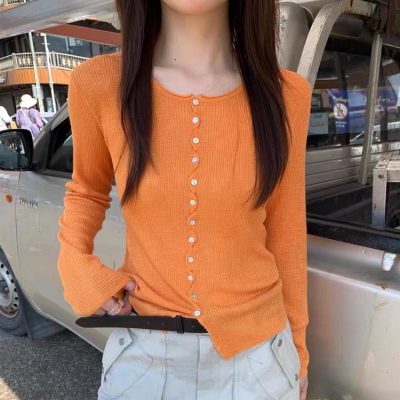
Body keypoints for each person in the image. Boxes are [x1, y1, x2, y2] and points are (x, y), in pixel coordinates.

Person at [57, 1, 312, 399]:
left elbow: (287, 230)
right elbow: (87, 189)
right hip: (145, 358)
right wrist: (74, 263)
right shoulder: (99, 83)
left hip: (262, 360)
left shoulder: (287, 94)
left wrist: (298, 353)